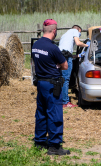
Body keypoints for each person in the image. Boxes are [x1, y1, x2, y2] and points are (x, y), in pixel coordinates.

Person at [31, 19, 70, 155]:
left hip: (41, 83)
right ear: (54, 31)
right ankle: (54, 146)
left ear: (43, 30)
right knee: (54, 114)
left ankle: (40, 141)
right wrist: (58, 63)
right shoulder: (53, 47)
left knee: (41, 113)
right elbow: (65, 66)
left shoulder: (36, 45)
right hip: (52, 85)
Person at [58, 25, 88, 108]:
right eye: (80, 32)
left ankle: (61, 99)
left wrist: (78, 55)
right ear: (77, 30)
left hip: (61, 56)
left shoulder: (64, 35)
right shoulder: (74, 31)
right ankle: (65, 102)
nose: (80, 34)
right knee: (66, 79)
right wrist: (87, 46)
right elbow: (78, 43)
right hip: (66, 57)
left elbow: (66, 51)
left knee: (62, 78)